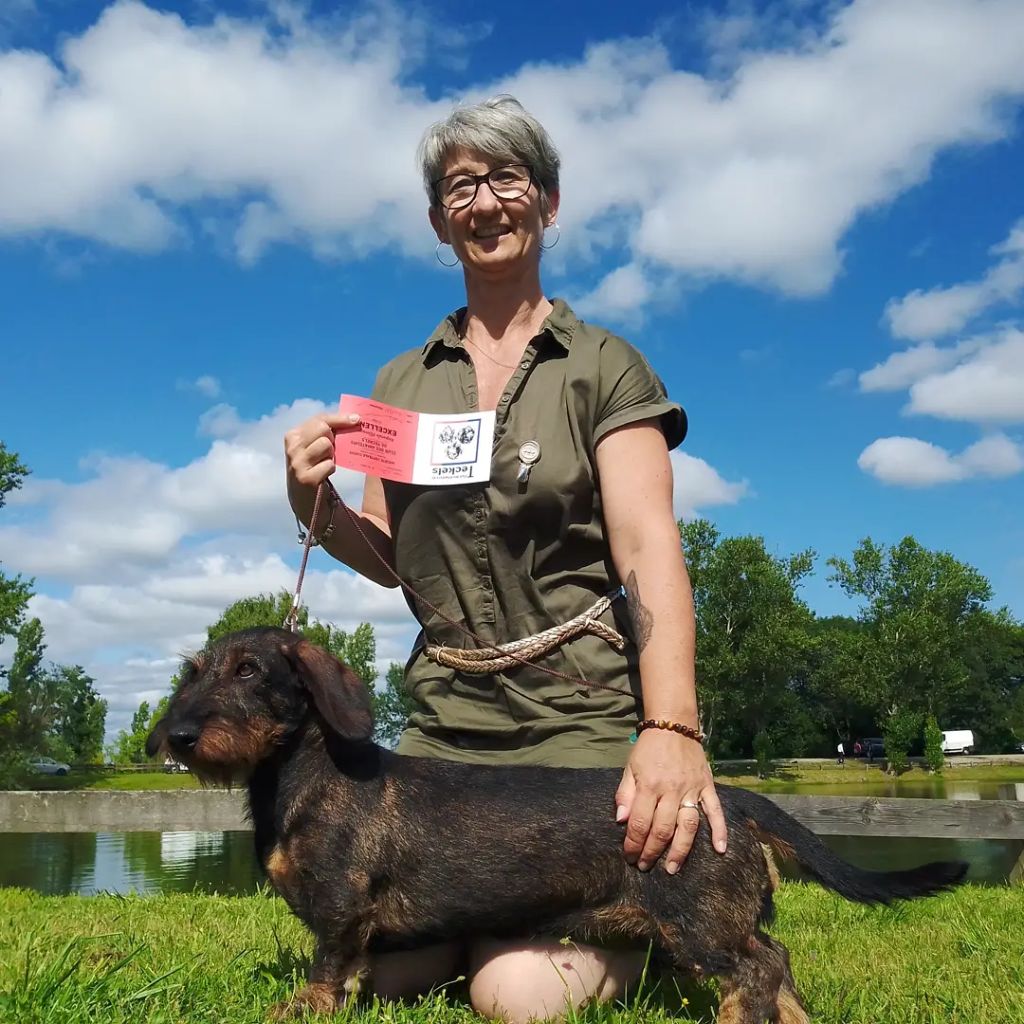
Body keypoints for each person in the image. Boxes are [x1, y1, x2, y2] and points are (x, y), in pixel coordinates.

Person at [284, 95, 726, 1024]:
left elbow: (649, 548)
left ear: (549, 202)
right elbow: (385, 556)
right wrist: (309, 503)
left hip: (577, 719)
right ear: (439, 219)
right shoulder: (402, 384)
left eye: (507, 178)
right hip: (445, 728)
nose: (485, 203)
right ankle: (491, 925)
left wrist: (673, 731)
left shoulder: (604, 365)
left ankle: (638, 941)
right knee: (383, 976)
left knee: (514, 994)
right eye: (460, 188)